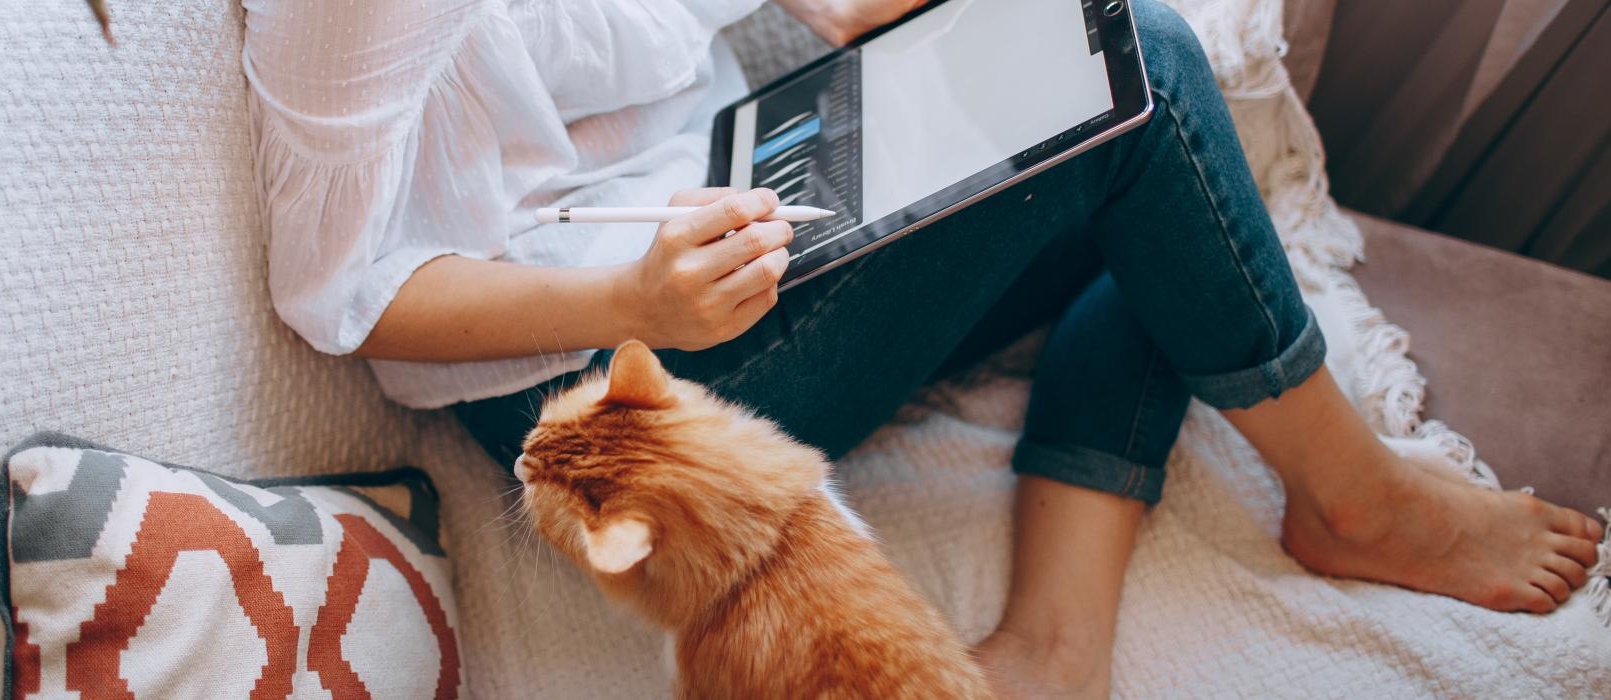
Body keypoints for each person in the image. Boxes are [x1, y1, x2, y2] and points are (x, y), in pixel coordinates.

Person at [242, 0, 1603, 695]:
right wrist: (635, 307)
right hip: (602, 382)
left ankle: (1052, 650)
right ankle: (1355, 495)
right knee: (1147, 79)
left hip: (720, 197)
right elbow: (344, 288)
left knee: (1154, 168)